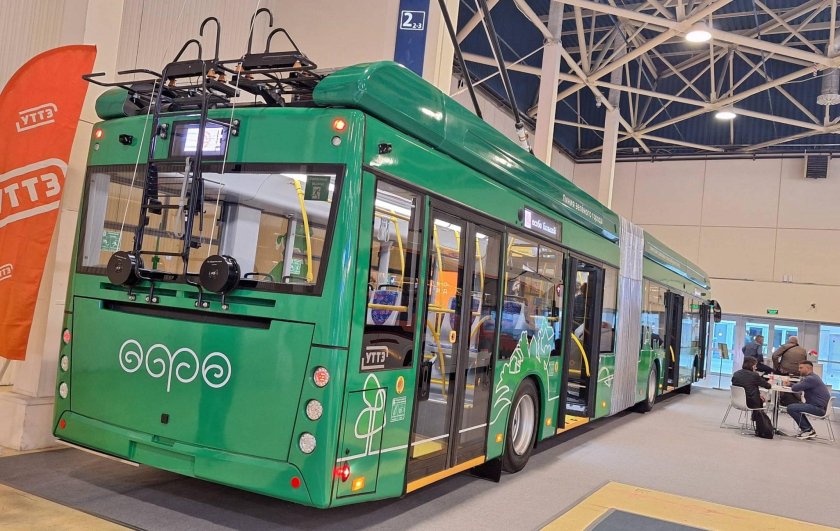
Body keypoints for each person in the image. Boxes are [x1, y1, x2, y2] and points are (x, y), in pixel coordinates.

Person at [786, 361, 831, 439]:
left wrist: (791, 385)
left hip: (818, 408)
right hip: (819, 407)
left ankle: (807, 429)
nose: (799, 370)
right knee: (796, 406)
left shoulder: (810, 379)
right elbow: (800, 386)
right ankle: (808, 429)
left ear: (808, 368)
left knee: (791, 408)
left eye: (801, 368)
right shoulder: (814, 377)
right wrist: (790, 384)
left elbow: (795, 388)